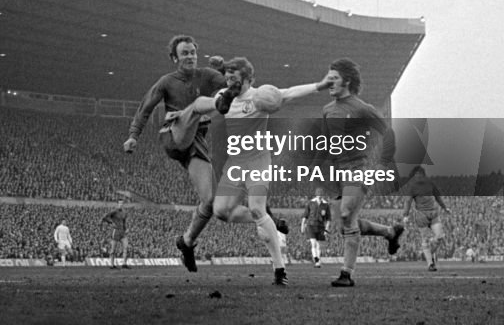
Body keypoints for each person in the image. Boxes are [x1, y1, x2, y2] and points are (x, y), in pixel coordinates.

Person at [181, 57, 331, 285]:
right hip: (236, 162)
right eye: (228, 78)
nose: (230, 82)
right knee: (221, 211)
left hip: (258, 161)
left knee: (257, 208)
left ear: (249, 79)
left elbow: (289, 92)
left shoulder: (260, 96)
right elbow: (203, 105)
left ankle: (279, 270)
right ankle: (266, 220)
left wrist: (319, 86)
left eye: (235, 79)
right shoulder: (225, 97)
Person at [123, 35, 226, 273]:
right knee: (200, 104)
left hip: (195, 142)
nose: (190, 56)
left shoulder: (207, 75)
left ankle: (187, 242)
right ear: (174, 57)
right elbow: (145, 108)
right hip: (174, 135)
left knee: (210, 201)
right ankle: (196, 111)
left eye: (193, 52)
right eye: (185, 53)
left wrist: (223, 68)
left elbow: (231, 83)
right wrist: (133, 136)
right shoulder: (166, 82)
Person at [319, 57, 404, 288]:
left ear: (346, 81)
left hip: (358, 169)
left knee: (347, 215)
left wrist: (383, 163)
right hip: (335, 174)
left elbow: (388, 133)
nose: (329, 82)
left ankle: (346, 274)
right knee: (346, 223)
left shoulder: (362, 109)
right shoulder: (327, 110)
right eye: (328, 78)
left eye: (334, 78)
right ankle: (389, 232)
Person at [401, 166, 449, 271]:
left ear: (423, 175)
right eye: (415, 175)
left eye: (419, 175)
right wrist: (406, 215)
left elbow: (438, 197)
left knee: (440, 237)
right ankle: (430, 264)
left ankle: (429, 254)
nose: (417, 177)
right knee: (425, 239)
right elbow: (408, 201)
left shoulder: (430, 184)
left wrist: (445, 207)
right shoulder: (412, 187)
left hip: (434, 214)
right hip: (421, 215)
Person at [301, 187, 332, 268]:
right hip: (311, 225)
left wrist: (327, 229)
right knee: (313, 243)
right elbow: (305, 215)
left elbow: (328, 219)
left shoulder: (326, 204)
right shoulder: (311, 203)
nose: (319, 197)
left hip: (321, 226)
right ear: (316, 196)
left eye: (321, 196)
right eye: (318, 196)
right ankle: (317, 260)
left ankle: (317, 261)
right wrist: (302, 225)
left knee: (319, 245)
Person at [101, 199, 129, 269]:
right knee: (113, 249)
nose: (121, 204)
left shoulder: (124, 212)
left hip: (122, 232)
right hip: (115, 231)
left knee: (126, 247)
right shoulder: (114, 211)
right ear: (117, 204)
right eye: (119, 203)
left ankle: (124, 264)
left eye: (122, 203)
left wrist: (126, 229)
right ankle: (111, 264)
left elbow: (124, 222)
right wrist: (111, 222)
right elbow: (105, 217)